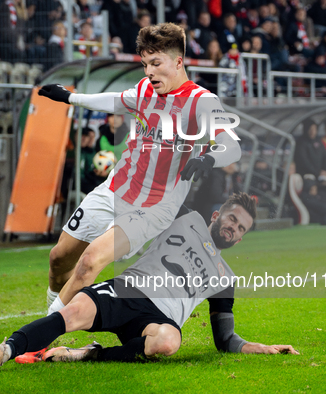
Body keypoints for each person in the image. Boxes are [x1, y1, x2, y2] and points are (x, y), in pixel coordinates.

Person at [38, 23, 242, 315]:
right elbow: (117, 101)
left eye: (156, 63)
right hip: (114, 188)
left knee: (90, 262)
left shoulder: (202, 102)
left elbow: (232, 145)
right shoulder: (146, 88)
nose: (149, 71)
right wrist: (71, 97)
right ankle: (50, 320)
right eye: (145, 64)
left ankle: (39, 334)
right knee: (59, 258)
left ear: (178, 61)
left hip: (152, 207)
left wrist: (209, 158)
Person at [0, 193, 299, 370]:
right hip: (127, 290)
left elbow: (225, 339)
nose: (233, 229)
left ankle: (91, 355)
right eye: (232, 219)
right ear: (216, 216)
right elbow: (160, 188)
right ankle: (4, 350)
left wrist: (264, 349)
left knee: (168, 342)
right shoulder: (186, 216)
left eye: (241, 229)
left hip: (160, 319)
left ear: (241, 239)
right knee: (71, 314)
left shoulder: (226, 278)